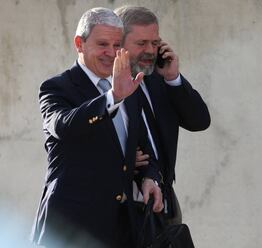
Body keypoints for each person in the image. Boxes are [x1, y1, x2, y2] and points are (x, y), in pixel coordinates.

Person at [31, 7, 164, 248]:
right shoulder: (57, 88)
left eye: (116, 45)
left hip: (124, 229)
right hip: (72, 229)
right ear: (79, 43)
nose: (111, 53)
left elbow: (143, 146)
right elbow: (63, 126)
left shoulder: (127, 88)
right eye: (103, 44)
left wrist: (149, 177)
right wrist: (112, 97)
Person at [114, 6, 211, 224]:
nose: (150, 50)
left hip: (165, 201)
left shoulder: (159, 77)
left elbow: (200, 121)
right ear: (118, 43)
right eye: (141, 44)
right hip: (125, 207)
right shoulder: (106, 88)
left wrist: (173, 78)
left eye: (155, 43)